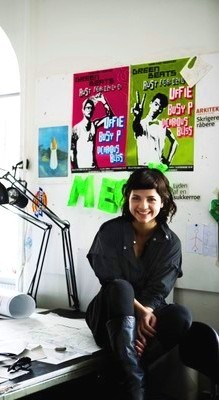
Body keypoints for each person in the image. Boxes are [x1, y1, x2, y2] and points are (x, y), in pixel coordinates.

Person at [85, 168, 192, 400]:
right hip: (108, 315)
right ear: (128, 199)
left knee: (181, 315)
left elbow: (159, 289)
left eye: (151, 199)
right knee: (121, 287)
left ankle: (126, 367)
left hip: (147, 318)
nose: (143, 206)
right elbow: (110, 280)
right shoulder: (110, 231)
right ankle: (136, 383)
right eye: (136, 198)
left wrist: (142, 320)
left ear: (163, 202)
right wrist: (140, 313)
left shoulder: (170, 242)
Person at [132, 91, 178, 167]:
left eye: (160, 108)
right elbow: (136, 127)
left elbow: (175, 142)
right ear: (150, 104)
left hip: (159, 170)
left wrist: (167, 163)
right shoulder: (141, 124)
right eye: (156, 104)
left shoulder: (162, 125)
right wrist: (137, 117)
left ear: (161, 110)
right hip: (144, 170)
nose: (157, 109)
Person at [71, 93, 114, 170]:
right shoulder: (76, 129)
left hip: (93, 168)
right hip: (81, 169)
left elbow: (111, 119)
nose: (90, 110)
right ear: (83, 110)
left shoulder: (94, 124)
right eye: (88, 108)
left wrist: (104, 101)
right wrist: (75, 169)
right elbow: (71, 151)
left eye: (91, 108)